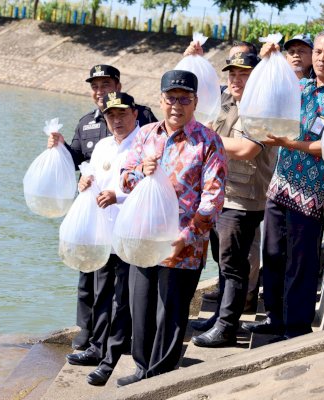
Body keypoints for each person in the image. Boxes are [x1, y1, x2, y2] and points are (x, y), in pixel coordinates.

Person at [117, 70, 227, 386]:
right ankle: (141, 369)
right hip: (145, 238)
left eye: (184, 99)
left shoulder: (208, 141)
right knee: (141, 307)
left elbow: (213, 199)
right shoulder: (146, 134)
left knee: (170, 316)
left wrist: (187, 236)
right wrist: (140, 170)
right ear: (161, 99)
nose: (176, 105)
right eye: (170, 98)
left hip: (184, 246)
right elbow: (124, 180)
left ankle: (159, 380)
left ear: (195, 102)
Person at [242, 29, 324, 340]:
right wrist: (267, 60)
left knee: (301, 262)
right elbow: (266, 94)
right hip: (280, 185)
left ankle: (296, 327)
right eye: (317, 51)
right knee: (274, 255)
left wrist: (290, 143)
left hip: (311, 190)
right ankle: (274, 318)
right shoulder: (298, 86)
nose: (321, 58)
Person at [48, 65, 157, 351]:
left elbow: (151, 174)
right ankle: (92, 336)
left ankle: (116, 344)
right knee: (93, 281)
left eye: (106, 84)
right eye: (95, 86)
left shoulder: (144, 125)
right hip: (99, 219)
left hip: (130, 222)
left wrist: (119, 196)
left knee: (124, 289)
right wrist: (62, 151)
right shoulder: (89, 126)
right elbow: (79, 163)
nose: (100, 91)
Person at [183, 51, 278, 347]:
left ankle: (227, 327)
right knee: (223, 262)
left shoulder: (263, 108)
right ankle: (219, 318)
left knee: (234, 264)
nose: (236, 80)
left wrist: (207, 137)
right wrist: (192, 60)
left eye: (244, 74)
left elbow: (248, 149)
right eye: (232, 74)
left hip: (243, 198)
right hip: (219, 194)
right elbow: (197, 95)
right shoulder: (226, 101)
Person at [64, 92, 140, 386]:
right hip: (102, 232)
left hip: (130, 232)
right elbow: (93, 178)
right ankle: (96, 347)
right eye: (111, 116)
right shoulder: (103, 146)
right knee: (101, 293)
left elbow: (148, 187)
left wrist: (118, 196)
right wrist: (85, 182)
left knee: (122, 299)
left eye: (122, 114)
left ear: (135, 114)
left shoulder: (144, 145)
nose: (117, 120)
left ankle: (111, 358)